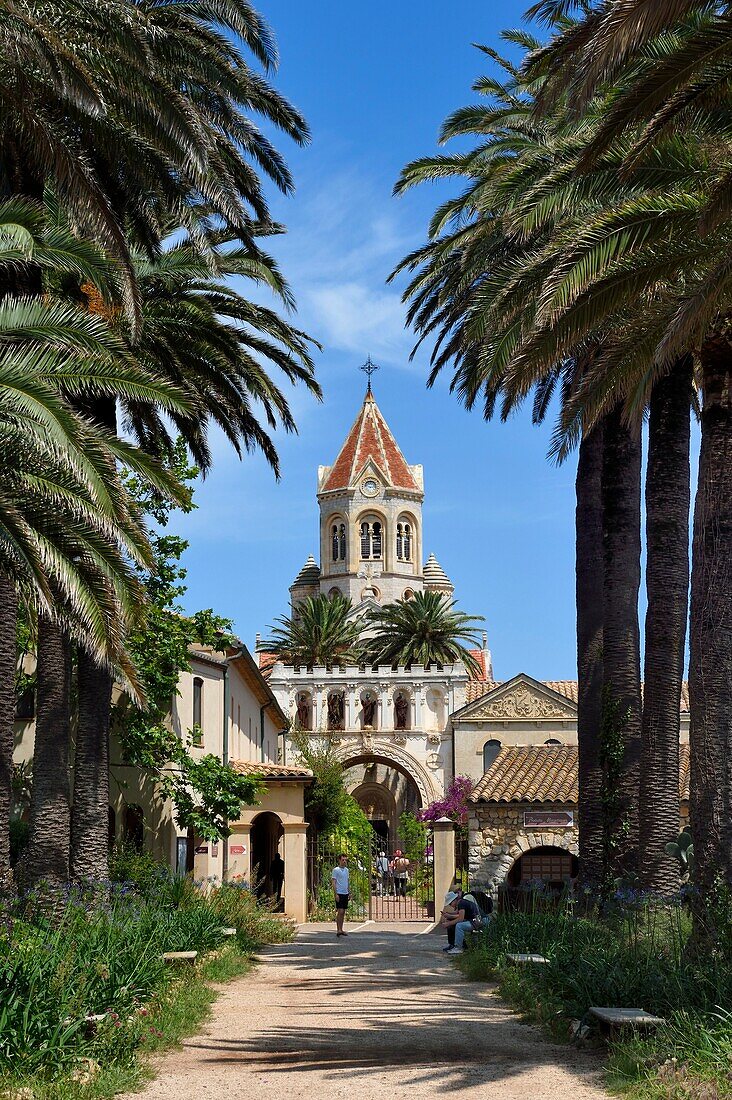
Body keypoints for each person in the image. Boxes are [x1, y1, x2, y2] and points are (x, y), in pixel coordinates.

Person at [440, 890, 480, 954]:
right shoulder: (460, 903)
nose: (450, 905)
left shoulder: (461, 903)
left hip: (475, 922)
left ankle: (459, 948)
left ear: (454, 900)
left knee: (459, 926)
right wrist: (447, 915)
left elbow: (460, 918)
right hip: (472, 921)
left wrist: (447, 923)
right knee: (453, 923)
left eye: (450, 903)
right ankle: (453, 944)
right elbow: (457, 913)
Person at [331, 853, 350, 937]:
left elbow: (347, 881)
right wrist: (336, 894)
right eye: (343, 860)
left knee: (343, 912)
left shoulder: (346, 870)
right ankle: (338, 929)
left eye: (345, 860)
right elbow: (334, 882)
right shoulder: (336, 870)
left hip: (345, 892)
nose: (344, 861)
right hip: (339, 893)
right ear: (339, 860)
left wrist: (349, 892)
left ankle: (341, 929)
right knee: (340, 911)